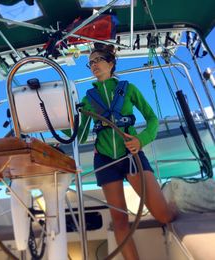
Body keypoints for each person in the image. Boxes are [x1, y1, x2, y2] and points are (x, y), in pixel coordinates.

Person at [78, 44, 177, 260]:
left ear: (110, 63)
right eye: (90, 62)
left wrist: (141, 140)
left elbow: (152, 118)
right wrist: (68, 116)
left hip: (131, 155)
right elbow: (80, 136)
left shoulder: (128, 88)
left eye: (98, 60)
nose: (93, 65)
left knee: (163, 215)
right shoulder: (87, 99)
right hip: (104, 161)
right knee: (120, 222)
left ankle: (173, 203)